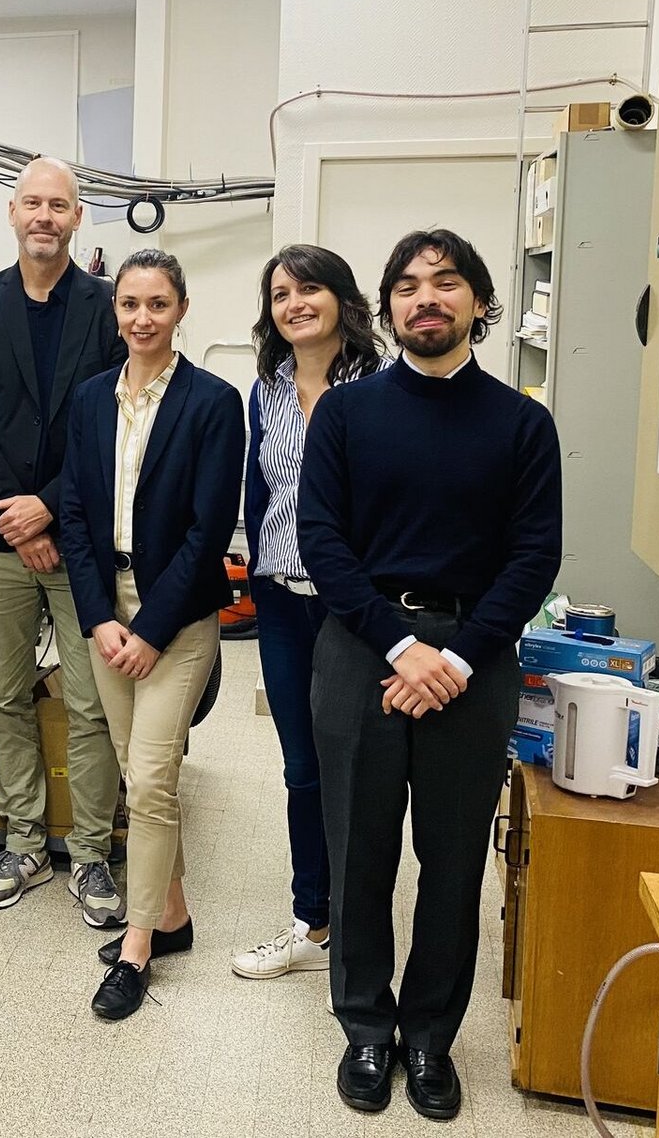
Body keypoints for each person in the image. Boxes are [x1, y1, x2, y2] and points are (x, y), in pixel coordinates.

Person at [299, 228, 562, 1120]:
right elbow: (321, 544)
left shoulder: (523, 424)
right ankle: (368, 1029)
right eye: (408, 286)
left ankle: (428, 1040)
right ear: (389, 309)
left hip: (473, 657)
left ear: (480, 304)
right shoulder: (344, 414)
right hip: (363, 647)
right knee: (359, 849)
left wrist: (450, 656)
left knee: (452, 861)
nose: (427, 299)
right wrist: (400, 647)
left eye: (446, 284)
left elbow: (534, 559)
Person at [57, 249, 245, 1019]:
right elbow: (73, 512)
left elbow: (208, 532)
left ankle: (137, 948)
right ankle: (172, 916)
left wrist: (152, 630)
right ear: (116, 312)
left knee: (155, 775)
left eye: (158, 304)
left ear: (182, 309)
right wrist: (101, 615)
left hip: (180, 613)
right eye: (130, 304)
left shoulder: (213, 402)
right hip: (109, 605)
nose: (142, 318)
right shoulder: (91, 398)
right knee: (140, 775)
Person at [0, 156, 127, 925]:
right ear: (12, 215)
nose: (45, 216)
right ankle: (22, 839)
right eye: (32, 204)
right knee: (7, 696)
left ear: (77, 217)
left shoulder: (108, 307)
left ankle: (89, 854)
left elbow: (114, 421)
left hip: (78, 536)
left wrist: (48, 509)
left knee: (92, 704)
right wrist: (15, 517)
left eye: (59, 204)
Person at [231, 246, 386, 983]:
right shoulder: (267, 388)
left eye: (309, 288)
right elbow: (263, 498)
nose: (294, 303)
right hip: (280, 598)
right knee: (301, 767)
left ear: (342, 298)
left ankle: (361, 925)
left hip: (352, 605)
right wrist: (256, 575)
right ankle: (312, 917)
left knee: (354, 764)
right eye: (280, 293)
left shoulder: (384, 388)